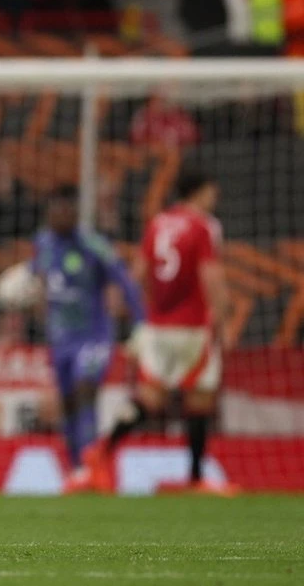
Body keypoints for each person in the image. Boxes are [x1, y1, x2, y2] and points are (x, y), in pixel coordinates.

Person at [84, 167, 238, 496]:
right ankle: (196, 478)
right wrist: (224, 319)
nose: (215, 197)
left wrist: (131, 311)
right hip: (193, 327)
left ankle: (102, 450)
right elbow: (210, 275)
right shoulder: (204, 226)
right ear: (202, 190)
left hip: (158, 326)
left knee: (150, 398)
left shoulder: (157, 223)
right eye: (212, 191)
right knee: (200, 397)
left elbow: (138, 272)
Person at [26, 186, 145, 492]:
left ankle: (92, 466)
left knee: (85, 391)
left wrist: (140, 325)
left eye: (63, 210)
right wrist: (23, 283)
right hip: (60, 339)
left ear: (75, 213)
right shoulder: (43, 242)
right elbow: (35, 275)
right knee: (67, 403)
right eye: (52, 211)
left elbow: (126, 283)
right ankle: (77, 469)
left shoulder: (95, 245)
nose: (56, 216)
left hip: (94, 336)